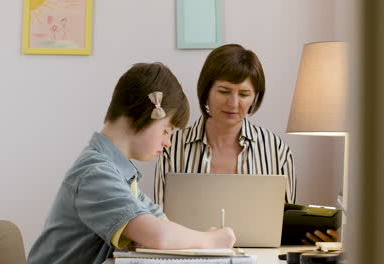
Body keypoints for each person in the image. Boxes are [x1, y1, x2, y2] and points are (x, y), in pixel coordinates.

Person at [27, 63, 236, 264]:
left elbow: (160, 224)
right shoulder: (96, 173)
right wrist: (210, 240)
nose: (167, 143)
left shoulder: (121, 174)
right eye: (165, 130)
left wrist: (197, 238)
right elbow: (158, 236)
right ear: (141, 115)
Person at [154, 44, 337, 244]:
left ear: (255, 97)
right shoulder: (171, 146)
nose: (233, 103)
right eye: (224, 91)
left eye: (243, 94)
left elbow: (281, 230)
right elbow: (157, 223)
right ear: (206, 91)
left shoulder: (277, 150)